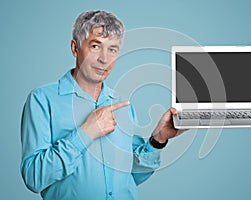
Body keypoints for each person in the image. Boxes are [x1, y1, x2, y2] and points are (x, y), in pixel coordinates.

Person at [20, 10, 185, 200]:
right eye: (96, 46)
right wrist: (85, 133)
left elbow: (133, 174)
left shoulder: (122, 104)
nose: (104, 59)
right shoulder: (42, 100)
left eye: (112, 49)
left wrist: (158, 140)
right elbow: (34, 178)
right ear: (75, 48)